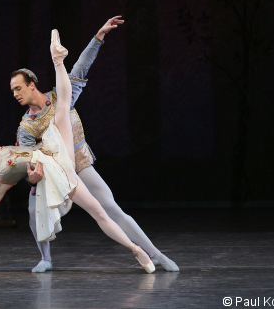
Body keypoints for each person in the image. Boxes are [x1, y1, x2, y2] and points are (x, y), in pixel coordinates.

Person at [0, 30, 155, 274]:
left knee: (62, 107)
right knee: (97, 211)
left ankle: (58, 59)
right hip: (54, 172)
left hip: (54, 151)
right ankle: (134, 249)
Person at [11, 16, 179, 273]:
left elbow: (80, 68)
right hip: (55, 174)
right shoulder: (26, 126)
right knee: (34, 211)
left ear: (32, 85)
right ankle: (45, 258)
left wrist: (98, 37)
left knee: (111, 209)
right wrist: (33, 177)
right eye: (13, 91)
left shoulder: (61, 98)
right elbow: (28, 157)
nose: (15, 94)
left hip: (79, 164)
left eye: (18, 88)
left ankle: (155, 254)